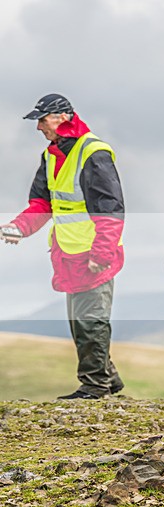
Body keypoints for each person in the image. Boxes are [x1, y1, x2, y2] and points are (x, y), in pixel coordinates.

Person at [1, 94, 125, 400]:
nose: (39, 127)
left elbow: (110, 209)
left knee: (90, 322)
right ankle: (110, 379)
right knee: (80, 323)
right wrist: (18, 227)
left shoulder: (93, 152)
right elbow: (42, 203)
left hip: (96, 255)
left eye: (42, 120)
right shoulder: (52, 155)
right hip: (69, 254)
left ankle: (95, 387)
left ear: (63, 116)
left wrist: (102, 254)